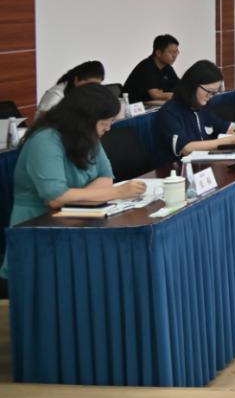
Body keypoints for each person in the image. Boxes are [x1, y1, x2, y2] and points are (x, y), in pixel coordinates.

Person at [1, 84, 146, 279]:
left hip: (76, 222)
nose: (108, 128)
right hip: (38, 230)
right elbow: (55, 197)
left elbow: (106, 178)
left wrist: (75, 197)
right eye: (104, 122)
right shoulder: (45, 140)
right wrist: (118, 193)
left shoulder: (88, 137)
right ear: (84, 119)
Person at [154, 60, 235, 164]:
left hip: (203, 165)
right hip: (177, 171)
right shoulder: (169, 112)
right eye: (209, 91)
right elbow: (186, 148)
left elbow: (226, 128)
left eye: (214, 93)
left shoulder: (203, 108)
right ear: (193, 85)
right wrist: (230, 140)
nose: (210, 96)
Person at [35, 60, 106, 122]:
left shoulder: (89, 94)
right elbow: (42, 123)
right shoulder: (55, 95)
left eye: (96, 85)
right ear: (76, 80)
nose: (92, 89)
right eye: (89, 84)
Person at [122, 34, 181, 103]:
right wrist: (169, 94)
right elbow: (156, 95)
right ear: (158, 53)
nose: (174, 56)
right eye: (171, 52)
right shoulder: (146, 67)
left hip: (150, 105)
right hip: (132, 107)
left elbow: (181, 88)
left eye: (176, 52)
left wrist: (165, 94)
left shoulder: (167, 68)